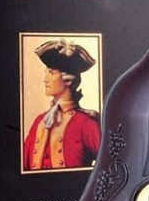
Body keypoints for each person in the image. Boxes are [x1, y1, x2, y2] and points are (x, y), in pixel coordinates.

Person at [23, 38, 100, 171]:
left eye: (51, 73)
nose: (45, 79)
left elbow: (109, 163)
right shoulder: (39, 122)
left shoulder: (86, 123)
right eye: (46, 73)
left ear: (68, 80)